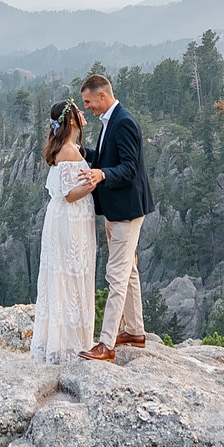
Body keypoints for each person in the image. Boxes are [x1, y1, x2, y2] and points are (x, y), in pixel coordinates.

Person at [80, 70, 155, 362]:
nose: (87, 107)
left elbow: (129, 169)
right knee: (129, 271)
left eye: (88, 101)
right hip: (115, 211)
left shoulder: (123, 122)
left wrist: (101, 174)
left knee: (117, 275)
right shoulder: (110, 120)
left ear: (102, 95)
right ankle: (135, 331)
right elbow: (107, 158)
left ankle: (107, 344)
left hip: (126, 212)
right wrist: (84, 153)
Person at [28, 100, 103, 364]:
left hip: (69, 218)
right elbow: (70, 194)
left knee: (68, 275)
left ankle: (67, 340)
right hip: (70, 220)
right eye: (78, 111)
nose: (83, 114)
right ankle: (71, 344)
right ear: (71, 120)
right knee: (70, 274)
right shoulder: (69, 151)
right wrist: (94, 181)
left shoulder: (69, 147)